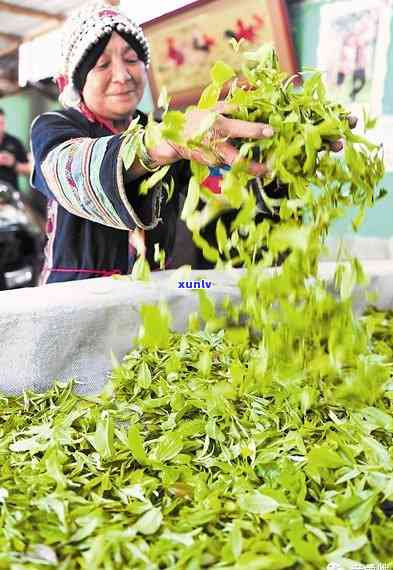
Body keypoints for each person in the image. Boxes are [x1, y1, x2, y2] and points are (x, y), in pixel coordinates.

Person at [30, 2, 273, 285]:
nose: (122, 76)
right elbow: (68, 171)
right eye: (103, 64)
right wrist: (158, 145)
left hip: (154, 290)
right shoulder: (54, 126)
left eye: (132, 60)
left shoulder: (162, 126)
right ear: (79, 81)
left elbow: (217, 192)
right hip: (78, 297)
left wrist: (268, 157)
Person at [0, 108, 31, 193]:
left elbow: (29, 168)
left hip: (11, 194)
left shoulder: (15, 142)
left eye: (1, 123)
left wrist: (13, 163)